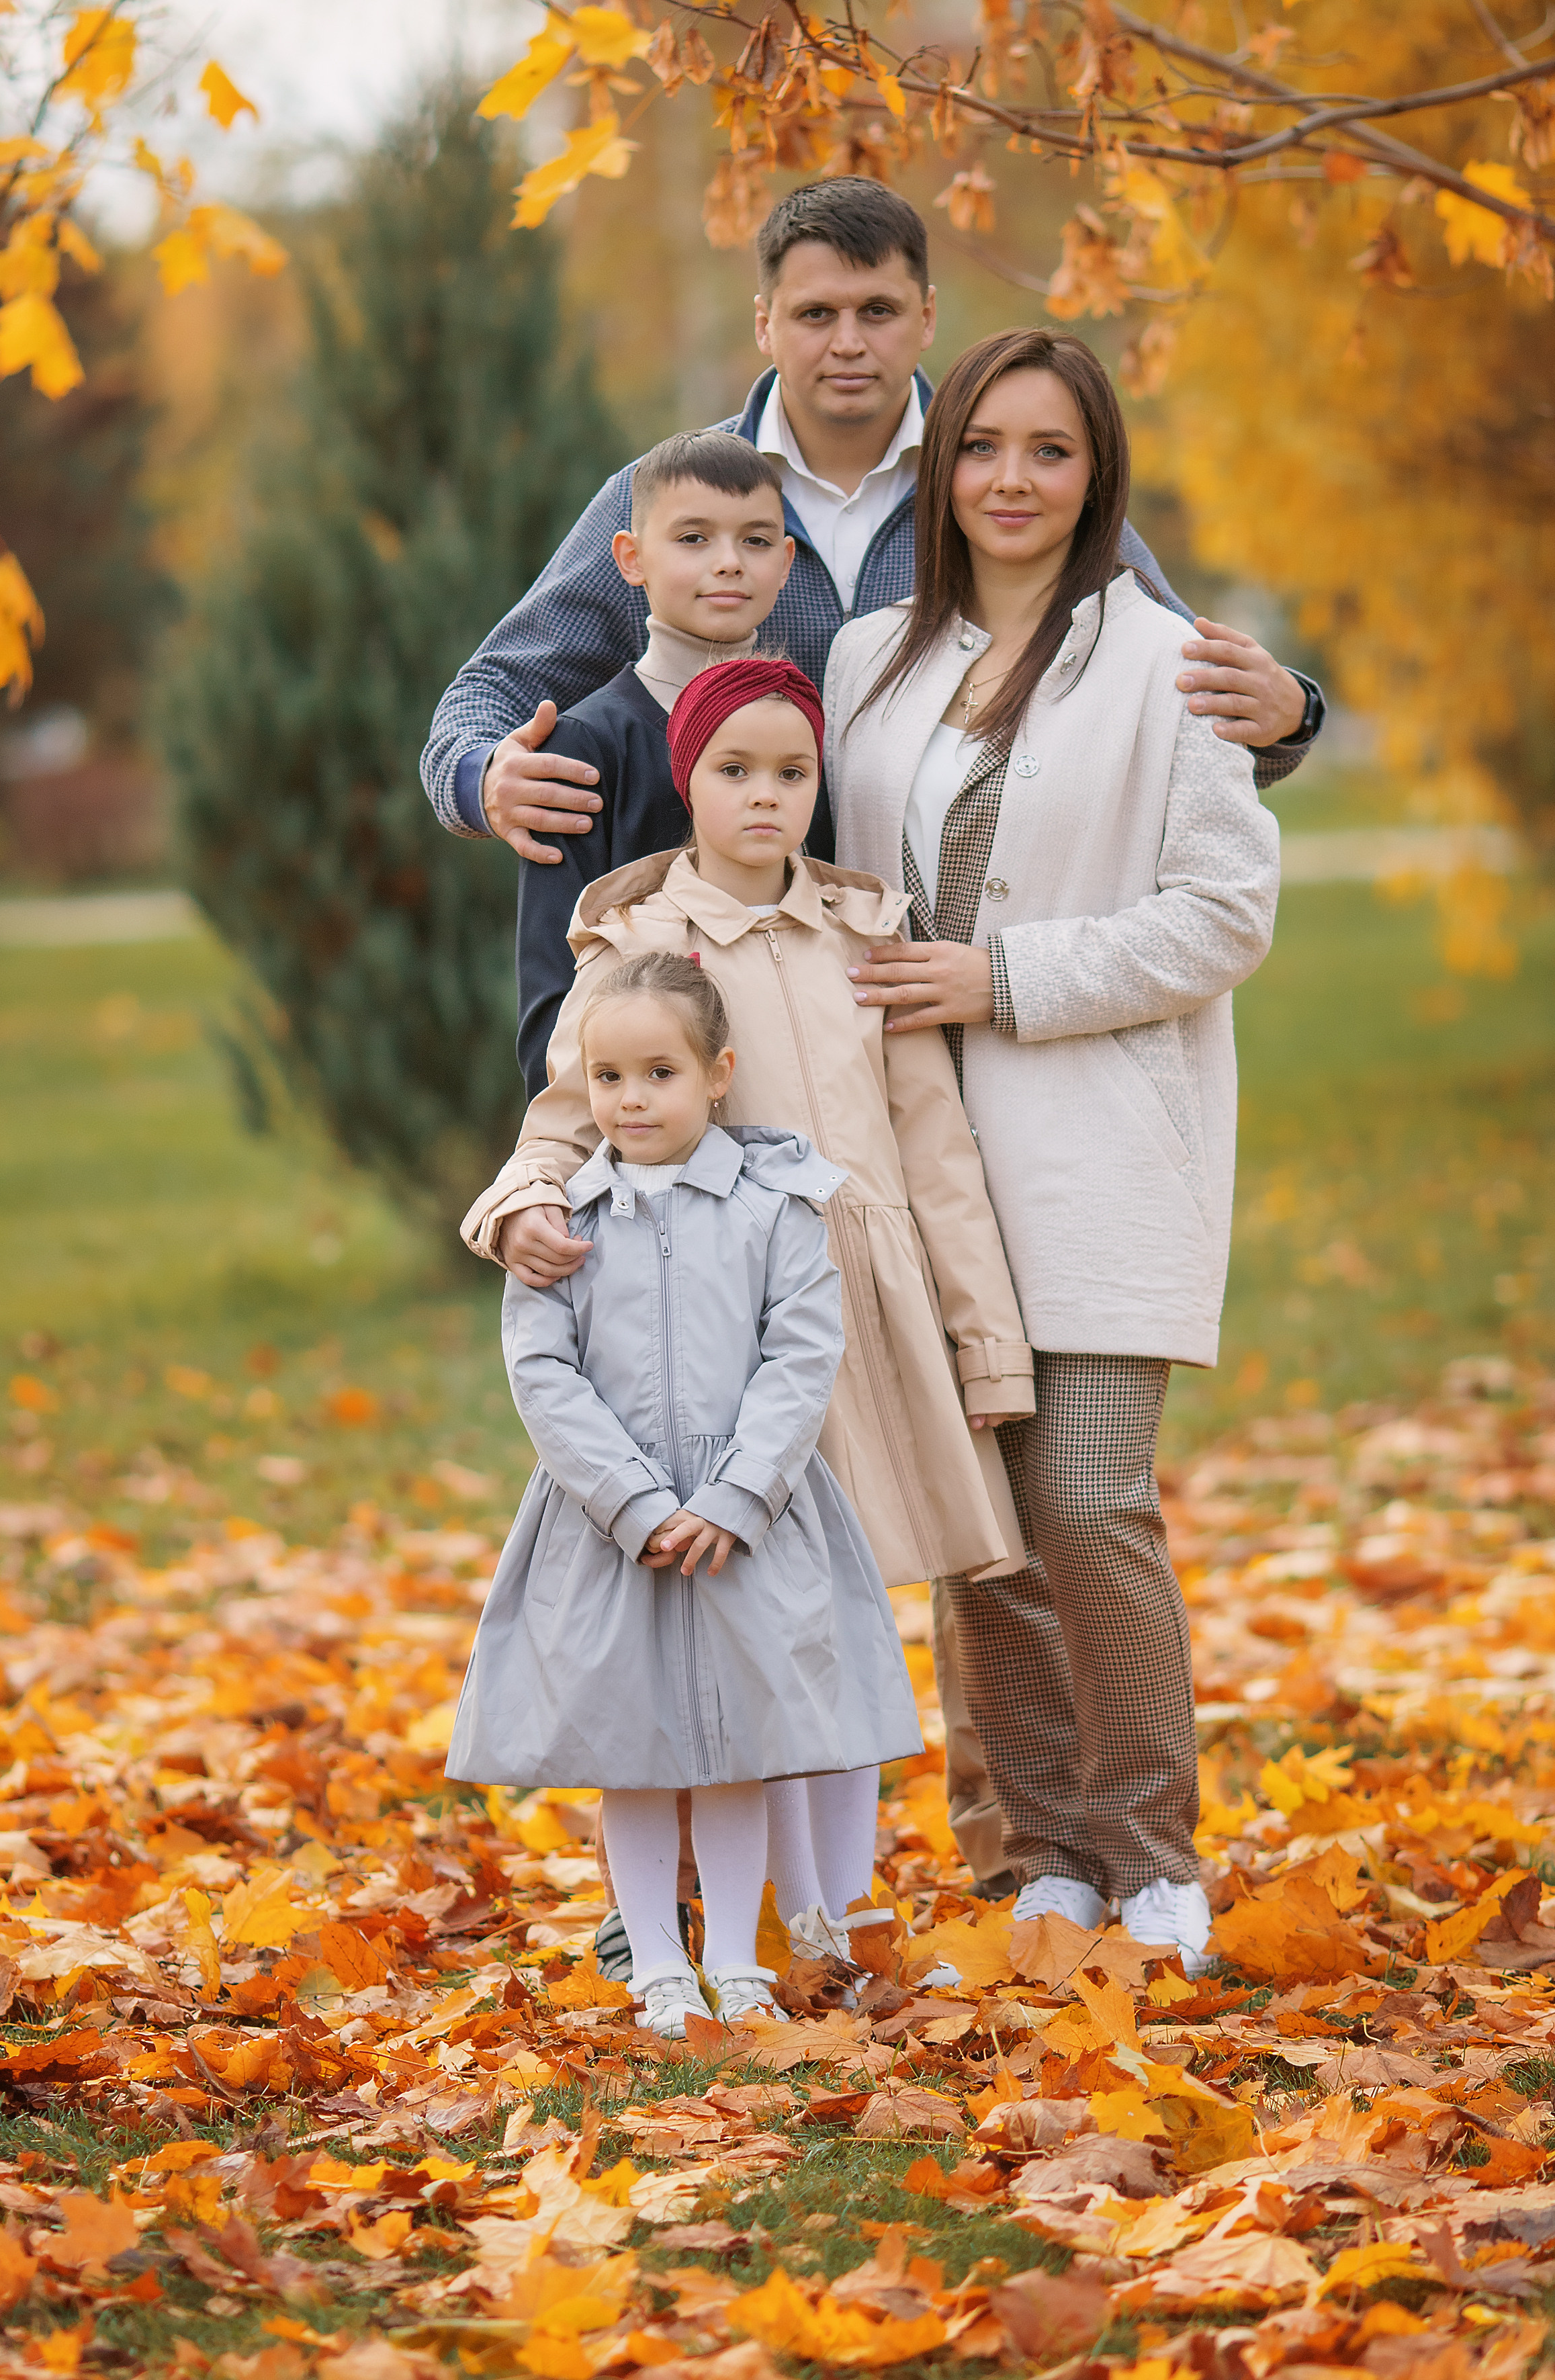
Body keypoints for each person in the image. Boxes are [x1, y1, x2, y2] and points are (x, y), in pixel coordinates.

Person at [824, 326, 1282, 1977]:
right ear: (940, 472)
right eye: (981, 448)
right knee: (980, 1531)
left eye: (1049, 451)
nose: (1010, 480)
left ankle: (1152, 1852)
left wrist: (1002, 978)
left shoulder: (1170, 660)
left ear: (1098, 480)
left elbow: (1225, 916)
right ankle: (1040, 1857)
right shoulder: (869, 659)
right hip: (919, 1170)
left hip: (1094, 1148)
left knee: (1086, 1500)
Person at [458, 654, 1036, 1963]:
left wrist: (981, 1337)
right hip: (710, 1321)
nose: (765, 797)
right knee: (741, 1611)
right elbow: (568, 1110)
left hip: (858, 1310)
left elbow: (932, 1141)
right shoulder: (639, 938)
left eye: (790, 773)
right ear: (689, 779)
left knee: (836, 1610)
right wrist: (519, 1206)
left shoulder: (859, 928)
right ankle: (728, 1909)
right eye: (735, 770)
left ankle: (838, 1900)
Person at [420, 177, 1325, 867]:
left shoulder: (1004, 485)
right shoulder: (673, 499)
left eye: (877, 312)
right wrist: (484, 779)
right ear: (765, 324)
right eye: (815, 314)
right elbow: (483, 698)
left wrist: (1289, 717)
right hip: (733, 969)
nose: (847, 342)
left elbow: (1181, 696)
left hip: (953, 970)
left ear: (925, 317)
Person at [445, 950, 924, 2035]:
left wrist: (737, 1495)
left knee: (739, 1742)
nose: (630, 1098)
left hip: (744, 1522)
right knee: (635, 1746)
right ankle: (660, 1959)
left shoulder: (776, 1207)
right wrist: (634, 1501)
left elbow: (801, 1357)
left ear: (718, 1073)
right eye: (607, 1078)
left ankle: (742, 1958)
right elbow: (542, 1372)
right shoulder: (563, 1219)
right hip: (610, 1528)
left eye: (657, 1072)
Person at [515, 427, 795, 1099]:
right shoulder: (586, 747)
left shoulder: (803, 735)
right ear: (631, 558)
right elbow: (555, 987)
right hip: (642, 1149)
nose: (728, 562)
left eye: (754, 541)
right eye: (693, 538)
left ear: (785, 562)